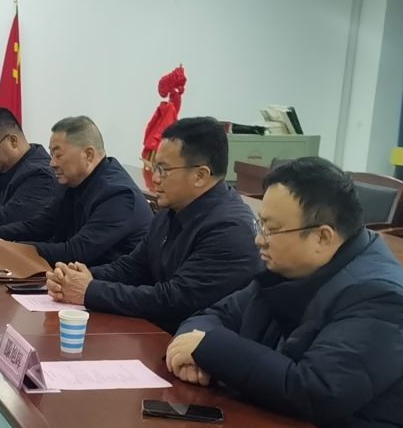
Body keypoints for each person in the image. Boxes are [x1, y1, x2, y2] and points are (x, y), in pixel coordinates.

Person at [167, 157, 403, 428]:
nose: (259, 239)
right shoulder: (291, 269)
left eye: (271, 229)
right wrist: (195, 349)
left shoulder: (380, 297)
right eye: (260, 225)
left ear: (322, 237)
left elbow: (313, 390)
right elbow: (213, 316)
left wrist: (207, 348)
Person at [46, 117, 261, 333]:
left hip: (192, 342)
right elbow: (134, 266)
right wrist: (78, 277)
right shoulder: (171, 210)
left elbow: (174, 300)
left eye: (163, 169)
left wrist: (90, 290)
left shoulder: (230, 230)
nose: (155, 178)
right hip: (156, 332)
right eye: (154, 167)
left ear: (200, 175)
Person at [0, 115, 150, 266]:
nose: (52, 163)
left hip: (108, 285)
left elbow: (76, 251)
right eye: (51, 154)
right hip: (73, 277)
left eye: (58, 155)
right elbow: (40, 225)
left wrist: (10, 248)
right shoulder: (71, 182)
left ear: (88, 154)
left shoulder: (118, 195)